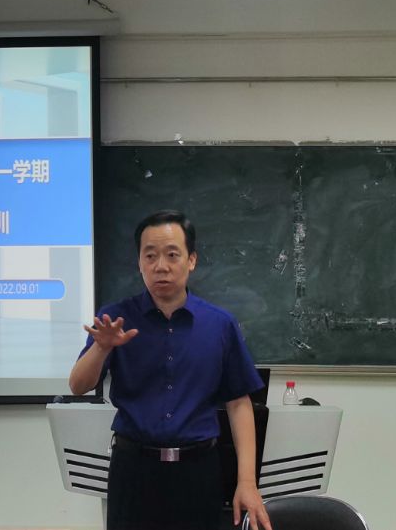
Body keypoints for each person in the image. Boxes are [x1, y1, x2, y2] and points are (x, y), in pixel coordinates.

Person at [69, 210, 272, 530]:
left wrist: (247, 482)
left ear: (191, 260)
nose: (160, 266)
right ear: (139, 262)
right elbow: (78, 385)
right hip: (134, 470)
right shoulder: (115, 318)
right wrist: (101, 347)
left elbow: (238, 403)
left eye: (172, 255)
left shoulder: (219, 324)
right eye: (150, 255)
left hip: (198, 472)